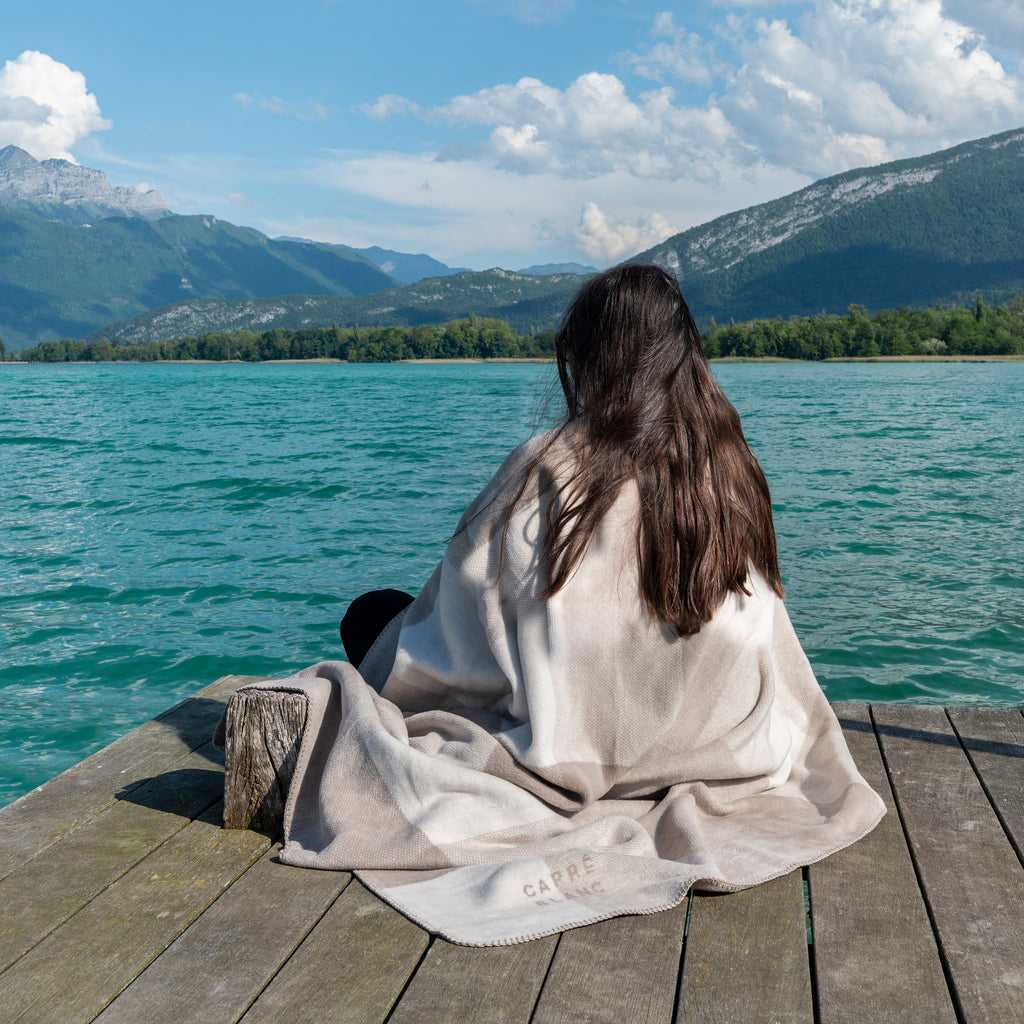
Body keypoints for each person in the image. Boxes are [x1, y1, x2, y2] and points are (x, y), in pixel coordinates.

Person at [266, 264, 885, 946]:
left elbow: (460, 615)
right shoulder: (731, 467)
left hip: (571, 743)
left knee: (369, 613)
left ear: (590, 357)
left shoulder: (549, 463)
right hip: (715, 736)